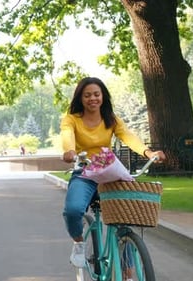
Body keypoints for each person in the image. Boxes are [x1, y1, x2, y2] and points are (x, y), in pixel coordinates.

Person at [60, 77, 166, 268]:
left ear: (103, 96)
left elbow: (128, 137)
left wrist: (148, 152)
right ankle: (78, 243)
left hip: (109, 174)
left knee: (126, 216)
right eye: (87, 95)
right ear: (80, 98)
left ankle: (127, 269)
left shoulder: (111, 119)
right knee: (73, 211)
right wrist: (69, 151)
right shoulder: (72, 119)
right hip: (85, 172)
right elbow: (67, 134)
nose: (92, 98)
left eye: (96, 94)